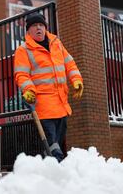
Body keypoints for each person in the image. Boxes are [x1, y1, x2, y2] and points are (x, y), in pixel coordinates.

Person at [14, 12, 84, 162]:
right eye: (34, 26)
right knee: (52, 144)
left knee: (56, 142)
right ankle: (56, 168)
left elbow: (70, 64)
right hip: (43, 106)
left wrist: (76, 80)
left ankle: (48, 168)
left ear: (45, 28)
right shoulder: (24, 50)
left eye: (41, 25)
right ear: (28, 30)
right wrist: (28, 90)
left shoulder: (56, 44)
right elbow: (22, 75)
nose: (38, 28)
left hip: (61, 105)